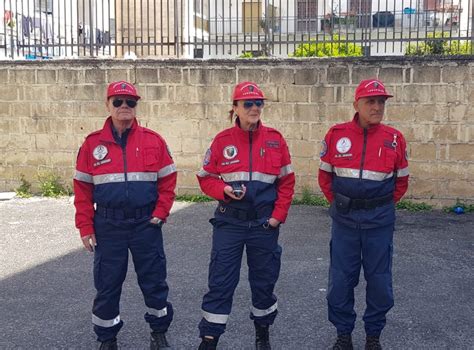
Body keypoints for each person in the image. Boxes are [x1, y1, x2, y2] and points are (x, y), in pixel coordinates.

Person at [73, 81, 176, 350]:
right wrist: (85, 226)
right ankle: (107, 339)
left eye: (130, 102)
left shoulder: (153, 140)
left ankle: (159, 332)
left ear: (136, 106)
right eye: (118, 101)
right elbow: (82, 189)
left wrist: (160, 213)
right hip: (108, 224)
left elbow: (168, 181)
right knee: (107, 285)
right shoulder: (92, 144)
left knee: (154, 281)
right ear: (108, 105)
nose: (124, 107)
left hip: (146, 224)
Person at [196, 81, 295, 350]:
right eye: (248, 103)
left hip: (264, 224)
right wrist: (224, 189)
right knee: (220, 281)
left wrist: (278, 216)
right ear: (235, 108)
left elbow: (286, 182)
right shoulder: (222, 141)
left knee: (264, 282)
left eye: (258, 103)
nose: (254, 108)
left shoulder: (275, 139)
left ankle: (262, 332)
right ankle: (209, 339)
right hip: (230, 222)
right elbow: (205, 179)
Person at [318, 79, 409, 350]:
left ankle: (373, 336)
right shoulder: (336, 135)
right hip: (345, 221)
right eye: (371, 101)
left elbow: (401, 182)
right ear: (356, 104)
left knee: (379, 281)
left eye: (381, 101)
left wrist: (378, 207)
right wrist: (343, 204)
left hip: (379, 222)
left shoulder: (394, 139)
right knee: (340, 280)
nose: (377, 106)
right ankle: (343, 334)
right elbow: (325, 177)